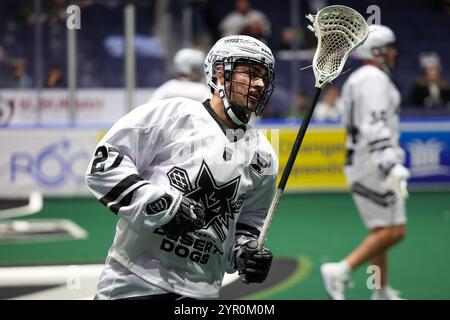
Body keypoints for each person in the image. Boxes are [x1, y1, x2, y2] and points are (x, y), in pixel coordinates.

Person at [85, 35, 278, 300]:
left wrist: (245, 253)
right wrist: (163, 206)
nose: (259, 84)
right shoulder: (172, 115)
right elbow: (104, 164)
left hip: (201, 292)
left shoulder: (264, 155)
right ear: (220, 74)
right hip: (133, 283)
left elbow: (249, 222)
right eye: (251, 73)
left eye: (264, 77)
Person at [320, 25, 410, 300]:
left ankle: (379, 290)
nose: (395, 53)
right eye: (391, 47)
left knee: (381, 230)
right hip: (372, 164)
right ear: (378, 50)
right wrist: (389, 164)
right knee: (394, 230)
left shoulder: (363, 78)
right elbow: (375, 125)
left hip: (363, 161)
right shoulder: (373, 79)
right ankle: (341, 269)